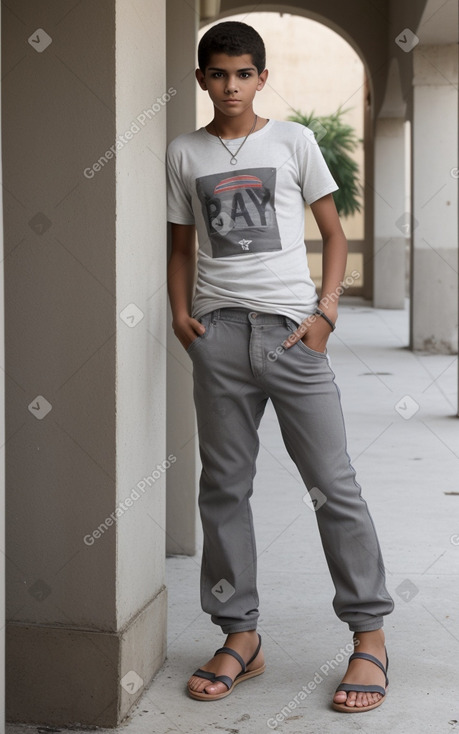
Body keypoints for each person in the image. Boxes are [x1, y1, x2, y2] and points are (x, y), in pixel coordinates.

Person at [166, 20, 394, 713]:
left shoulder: (292, 141)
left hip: (293, 334)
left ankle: (369, 635)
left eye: (242, 73)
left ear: (261, 77)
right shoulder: (184, 151)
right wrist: (182, 319)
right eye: (216, 73)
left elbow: (331, 233)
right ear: (200, 78)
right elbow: (180, 247)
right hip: (220, 336)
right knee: (224, 489)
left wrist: (324, 314)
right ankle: (241, 636)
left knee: (333, 483)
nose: (229, 85)